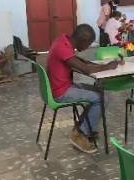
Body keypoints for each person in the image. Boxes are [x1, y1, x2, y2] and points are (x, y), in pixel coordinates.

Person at [47, 24, 122, 153]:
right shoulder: (62, 48)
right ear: (82, 41)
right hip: (61, 91)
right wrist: (108, 67)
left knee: (101, 93)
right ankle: (81, 134)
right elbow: (85, 69)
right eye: (88, 44)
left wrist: (99, 65)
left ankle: (81, 128)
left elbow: (80, 61)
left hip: (63, 86)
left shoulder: (63, 40)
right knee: (100, 98)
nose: (87, 47)